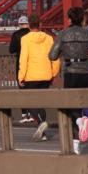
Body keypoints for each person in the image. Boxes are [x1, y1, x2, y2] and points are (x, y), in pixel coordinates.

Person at [49, 6, 88, 153]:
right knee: (83, 104)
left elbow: (52, 56)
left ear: (70, 19)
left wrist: (63, 51)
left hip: (70, 72)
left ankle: (77, 137)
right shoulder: (87, 33)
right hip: (86, 72)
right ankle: (81, 130)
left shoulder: (63, 34)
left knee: (72, 107)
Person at [17, 14, 59, 142]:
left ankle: (41, 123)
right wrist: (53, 73)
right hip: (46, 75)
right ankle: (43, 134)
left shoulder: (25, 39)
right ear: (40, 25)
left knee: (29, 102)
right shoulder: (49, 38)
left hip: (31, 76)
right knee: (40, 104)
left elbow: (23, 59)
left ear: (29, 25)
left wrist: (21, 76)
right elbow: (55, 58)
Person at [9, 16, 31, 123]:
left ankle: (24, 114)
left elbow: (11, 50)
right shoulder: (32, 34)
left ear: (19, 24)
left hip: (20, 62)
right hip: (32, 62)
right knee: (31, 87)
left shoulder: (16, 35)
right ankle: (32, 113)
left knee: (21, 87)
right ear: (28, 24)